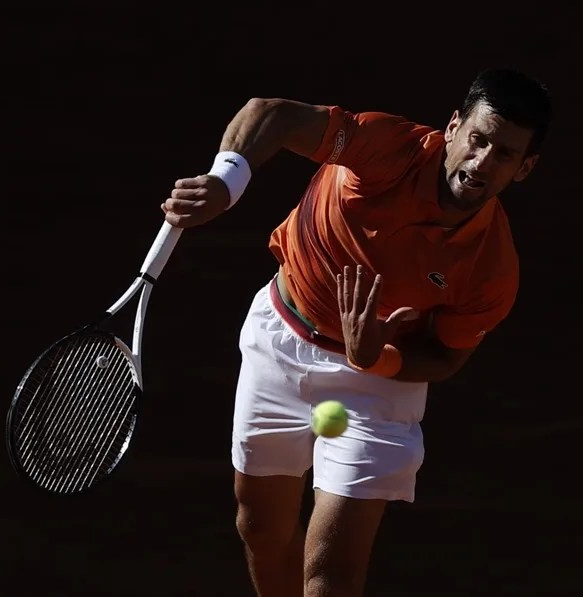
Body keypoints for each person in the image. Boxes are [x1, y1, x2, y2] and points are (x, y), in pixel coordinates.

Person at [161, 67, 553, 597]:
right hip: (279, 339)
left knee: (330, 572)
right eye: (478, 140)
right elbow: (271, 114)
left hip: (377, 388)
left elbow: (445, 356)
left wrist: (377, 359)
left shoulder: (492, 268)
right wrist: (225, 183)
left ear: (524, 168)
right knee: (259, 527)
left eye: (504, 154)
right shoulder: (386, 147)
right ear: (454, 126)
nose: (481, 162)